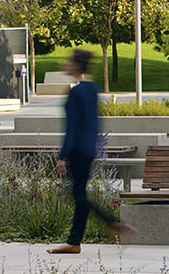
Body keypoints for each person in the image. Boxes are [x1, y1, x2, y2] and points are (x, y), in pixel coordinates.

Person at [48, 49, 131, 254]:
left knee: (79, 196)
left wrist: (62, 157)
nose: (65, 64)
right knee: (80, 196)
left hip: (77, 150)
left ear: (76, 65)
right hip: (89, 149)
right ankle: (74, 241)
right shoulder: (92, 89)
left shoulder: (75, 93)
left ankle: (112, 224)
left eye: (69, 62)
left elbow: (72, 128)